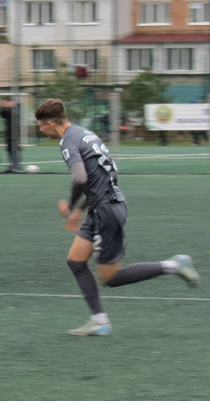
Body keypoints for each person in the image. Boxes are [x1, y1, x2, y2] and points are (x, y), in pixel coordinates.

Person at [35, 98, 199, 336]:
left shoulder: (67, 141)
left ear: (50, 124)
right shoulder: (85, 134)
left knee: (110, 277)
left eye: (41, 126)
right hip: (103, 206)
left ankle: (173, 265)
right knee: (75, 261)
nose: (41, 130)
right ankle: (99, 320)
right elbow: (104, 175)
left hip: (106, 211)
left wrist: (69, 205)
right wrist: (81, 210)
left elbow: (80, 178)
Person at [0, 100, 17, 172]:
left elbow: (15, 114)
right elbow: (2, 114)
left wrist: (11, 106)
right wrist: (3, 106)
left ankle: (15, 166)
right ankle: (11, 166)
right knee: (9, 149)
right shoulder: (8, 111)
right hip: (9, 132)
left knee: (15, 149)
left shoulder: (17, 109)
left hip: (15, 132)